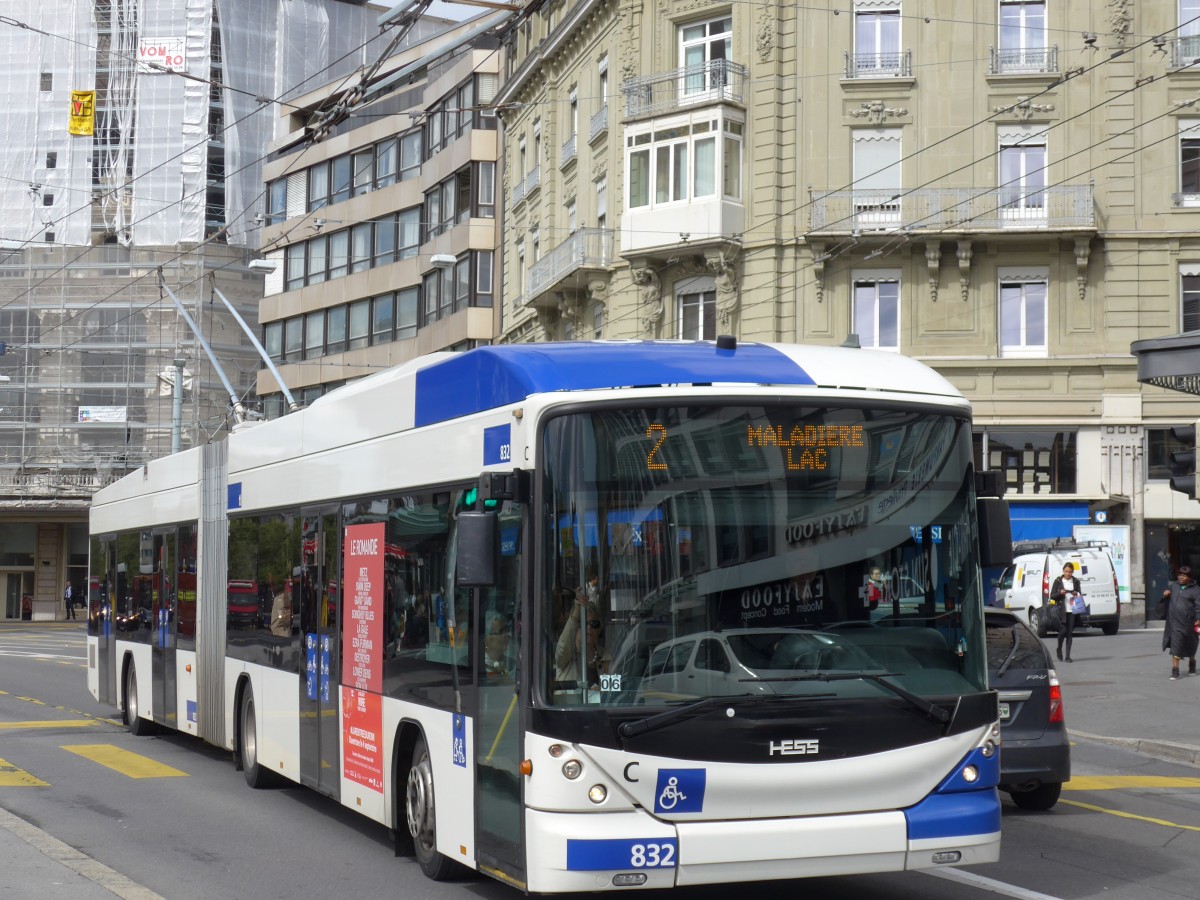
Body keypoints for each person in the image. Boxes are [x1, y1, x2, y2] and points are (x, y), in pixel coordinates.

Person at [555, 599, 608, 687]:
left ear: (599, 628)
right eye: (582, 623)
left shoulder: (607, 656)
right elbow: (562, 647)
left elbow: (616, 690)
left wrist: (602, 692)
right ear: (574, 627)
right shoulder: (566, 656)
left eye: (593, 624)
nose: (588, 628)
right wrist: (575, 614)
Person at [1160, 566, 1200, 680]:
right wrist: (1166, 593)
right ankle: (1175, 670)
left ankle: (1192, 662)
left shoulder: (1196, 590)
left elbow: (1198, 606)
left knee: (1190, 644)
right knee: (1176, 645)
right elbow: (1167, 594)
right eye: (1179, 575)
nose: (1181, 577)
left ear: (1189, 577)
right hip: (1174, 622)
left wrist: (1198, 618)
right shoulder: (1174, 586)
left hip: (1188, 622)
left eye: (1184, 575)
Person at [1049, 562, 1084, 663]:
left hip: (1073, 609)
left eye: (1070, 572)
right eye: (1066, 571)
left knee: (1069, 633)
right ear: (1063, 571)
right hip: (1062, 610)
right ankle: (1059, 648)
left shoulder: (1076, 581)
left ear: (1072, 572)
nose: (1068, 574)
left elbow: (1079, 593)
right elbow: (1052, 596)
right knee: (1062, 632)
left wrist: (1075, 593)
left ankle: (1068, 656)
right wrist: (1060, 593)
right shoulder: (1058, 581)